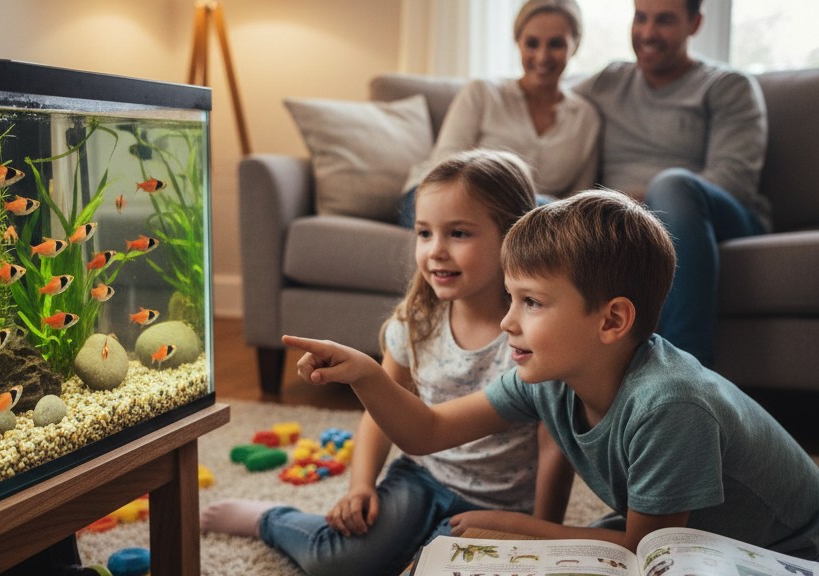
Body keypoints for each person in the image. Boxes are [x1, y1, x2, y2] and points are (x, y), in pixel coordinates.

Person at [284, 190, 819, 560]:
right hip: (682, 538)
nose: (507, 321)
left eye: (532, 302)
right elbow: (428, 431)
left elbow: (647, 552)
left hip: (780, 555)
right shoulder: (550, 377)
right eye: (512, 298)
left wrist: (522, 531)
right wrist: (365, 375)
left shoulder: (669, 405)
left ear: (611, 320)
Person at [201, 150, 574, 575]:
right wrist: (361, 485)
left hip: (503, 506)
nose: (436, 251)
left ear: (512, 235)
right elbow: (379, 413)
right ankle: (270, 519)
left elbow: (553, 445)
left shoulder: (533, 337)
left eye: (458, 233)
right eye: (424, 233)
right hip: (422, 481)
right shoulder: (415, 324)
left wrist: (544, 532)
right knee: (339, 563)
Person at [572, 0, 768, 367]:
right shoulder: (609, 81)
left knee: (673, 185)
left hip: (710, 217)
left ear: (695, 24)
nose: (647, 33)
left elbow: (732, 182)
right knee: (538, 204)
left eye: (663, 21)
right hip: (622, 223)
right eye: (640, 18)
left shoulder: (727, 86)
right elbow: (548, 103)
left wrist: (631, 203)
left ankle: (688, 373)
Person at [398, 0, 599, 227]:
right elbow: (444, 170)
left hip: (527, 218)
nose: (542, 56)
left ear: (576, 45)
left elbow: (581, 202)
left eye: (556, 44)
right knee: (536, 213)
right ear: (518, 42)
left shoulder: (586, 118)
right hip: (437, 196)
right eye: (532, 43)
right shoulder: (482, 93)